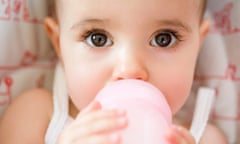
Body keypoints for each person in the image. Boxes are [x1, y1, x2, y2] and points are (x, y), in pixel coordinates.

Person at [0, 0, 228, 143]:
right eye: (97, 39)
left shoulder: (204, 138)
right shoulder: (38, 116)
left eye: (163, 39)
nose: (129, 69)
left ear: (198, 44)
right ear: (59, 43)